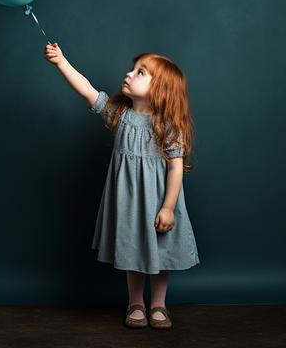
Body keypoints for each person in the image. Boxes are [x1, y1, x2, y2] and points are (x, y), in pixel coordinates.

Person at [44, 42, 200, 329]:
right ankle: (136, 302)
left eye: (140, 73)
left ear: (160, 89)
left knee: (161, 252)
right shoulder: (120, 115)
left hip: (158, 200)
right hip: (128, 200)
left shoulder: (168, 125)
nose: (129, 74)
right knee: (132, 250)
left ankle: (159, 305)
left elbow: (176, 167)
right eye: (132, 69)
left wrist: (168, 207)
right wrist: (61, 62)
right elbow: (86, 89)